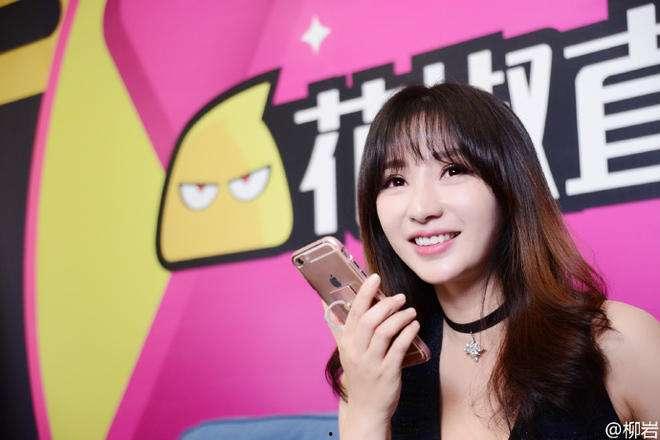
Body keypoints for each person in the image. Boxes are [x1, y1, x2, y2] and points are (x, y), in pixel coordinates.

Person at [321, 83, 660, 439]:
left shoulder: (618, 340)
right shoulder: (374, 367)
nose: (421, 209)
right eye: (395, 180)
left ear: (508, 183)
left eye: (453, 170)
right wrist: (367, 412)